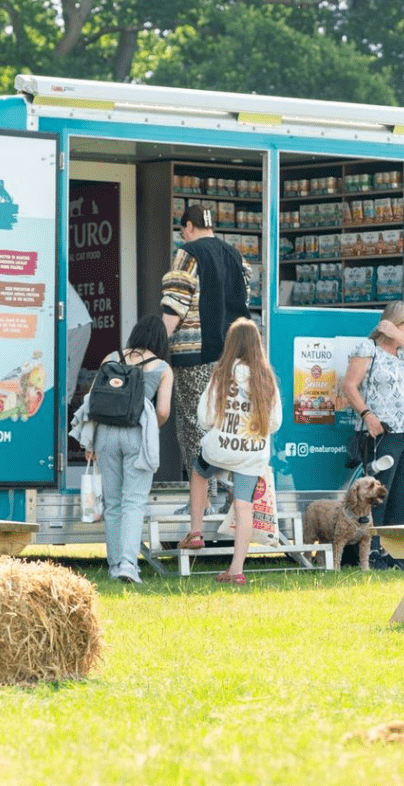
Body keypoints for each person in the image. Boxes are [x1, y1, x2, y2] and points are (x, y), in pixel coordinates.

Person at [162, 204, 252, 551]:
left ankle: (204, 499)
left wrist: (155, 346)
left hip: (195, 355)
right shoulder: (236, 256)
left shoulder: (187, 254)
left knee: (193, 426)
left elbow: (175, 303)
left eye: (182, 228)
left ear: (188, 227)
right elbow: (244, 299)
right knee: (226, 424)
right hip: (234, 356)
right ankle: (231, 494)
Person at [343, 301, 404, 570]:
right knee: (379, 494)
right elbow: (349, 386)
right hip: (385, 433)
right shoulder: (367, 349)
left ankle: (396, 556)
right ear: (392, 323)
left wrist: (402, 337)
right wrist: (368, 415)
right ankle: (373, 554)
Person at [86, 315, 174, 583]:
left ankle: (114, 566)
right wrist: (151, 427)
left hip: (106, 435)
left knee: (112, 503)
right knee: (133, 502)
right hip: (137, 435)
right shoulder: (162, 368)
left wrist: (90, 442)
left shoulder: (110, 358)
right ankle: (128, 564)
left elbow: (93, 399)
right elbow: (163, 411)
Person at [195, 318, 282, 585]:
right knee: (244, 506)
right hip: (252, 453)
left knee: (199, 473)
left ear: (231, 344)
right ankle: (237, 570)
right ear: (257, 344)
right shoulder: (266, 377)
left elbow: (205, 416)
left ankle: (196, 531)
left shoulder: (222, 373)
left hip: (222, 448)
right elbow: (276, 422)